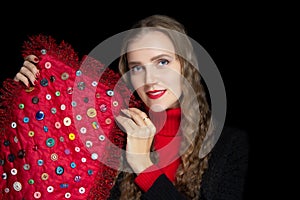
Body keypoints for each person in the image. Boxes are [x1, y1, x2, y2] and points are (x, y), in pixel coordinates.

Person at [13, 14, 249, 200]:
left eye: (162, 62)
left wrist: (143, 165)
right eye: (137, 67)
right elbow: (46, 172)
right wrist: (29, 101)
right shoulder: (113, 136)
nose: (149, 79)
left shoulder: (228, 145)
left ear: (186, 65)